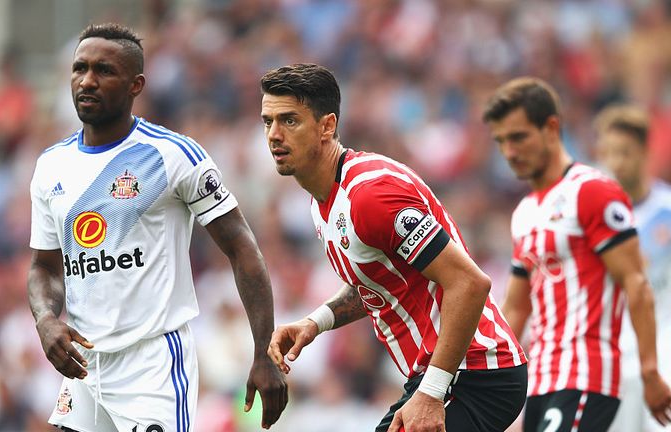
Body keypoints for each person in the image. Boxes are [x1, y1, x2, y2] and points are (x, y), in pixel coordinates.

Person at [27, 23, 287, 432]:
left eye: (104, 71)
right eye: (80, 68)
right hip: (85, 365)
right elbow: (44, 267)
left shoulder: (173, 155)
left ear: (136, 84)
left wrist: (263, 354)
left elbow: (242, 248)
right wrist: (45, 319)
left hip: (153, 364)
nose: (87, 81)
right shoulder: (50, 167)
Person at [261, 63, 528, 432]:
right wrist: (316, 322)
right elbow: (378, 283)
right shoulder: (322, 200)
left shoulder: (371, 196)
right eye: (268, 121)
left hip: (475, 373)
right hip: (443, 377)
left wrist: (432, 393)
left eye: (289, 120)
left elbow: (470, 283)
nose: (274, 134)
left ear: (327, 125)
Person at [482, 77, 671, 432]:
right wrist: (487, 376)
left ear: (551, 128)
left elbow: (636, 282)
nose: (509, 152)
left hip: (586, 373)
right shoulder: (525, 211)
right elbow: (516, 306)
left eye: (518, 137)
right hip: (541, 380)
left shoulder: (593, 192)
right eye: (501, 142)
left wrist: (650, 371)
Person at [594, 104, 671, 432]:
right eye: (609, 152)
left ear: (647, 152)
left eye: (625, 152)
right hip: (613, 363)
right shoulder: (588, 219)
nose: (616, 162)